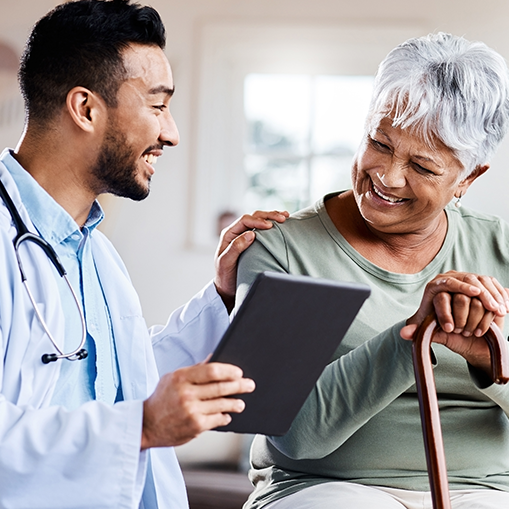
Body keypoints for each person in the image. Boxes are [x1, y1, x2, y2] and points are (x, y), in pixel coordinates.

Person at [0, 1, 289, 508]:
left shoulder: (96, 253)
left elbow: (122, 380)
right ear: (86, 108)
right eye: (157, 106)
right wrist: (141, 425)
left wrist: (223, 294)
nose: (171, 133)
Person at [237, 33, 509, 509]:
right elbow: (294, 436)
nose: (387, 176)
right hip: (322, 489)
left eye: (422, 167)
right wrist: (413, 336)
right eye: (379, 143)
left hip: (486, 489)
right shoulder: (283, 250)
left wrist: (491, 355)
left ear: (468, 178)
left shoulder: (500, 248)